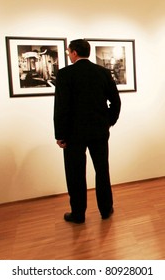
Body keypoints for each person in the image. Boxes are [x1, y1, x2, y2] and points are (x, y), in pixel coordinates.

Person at [54, 39, 121, 224]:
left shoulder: (65, 74)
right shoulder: (102, 72)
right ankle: (106, 209)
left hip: (73, 134)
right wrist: (108, 122)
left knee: (75, 173)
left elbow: (61, 107)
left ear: (74, 52)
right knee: (102, 170)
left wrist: (60, 134)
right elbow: (115, 102)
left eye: (69, 51)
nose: (68, 54)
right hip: (99, 131)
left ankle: (78, 214)